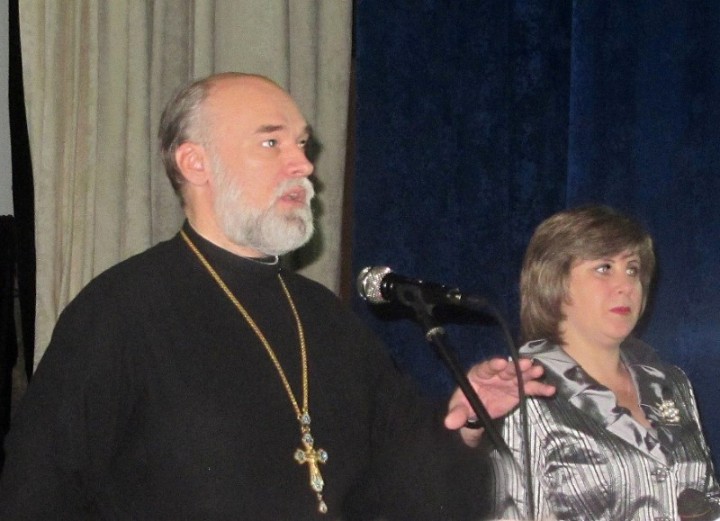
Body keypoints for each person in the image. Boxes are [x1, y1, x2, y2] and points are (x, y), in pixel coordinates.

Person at [0, 72, 553, 520]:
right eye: (271, 142)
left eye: (302, 144)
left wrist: (463, 419)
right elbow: (38, 493)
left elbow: (398, 489)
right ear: (195, 163)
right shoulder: (120, 310)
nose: (304, 165)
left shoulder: (326, 318)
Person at [491, 205, 720, 521]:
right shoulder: (521, 392)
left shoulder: (672, 383)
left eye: (633, 269)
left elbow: (708, 500)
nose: (626, 285)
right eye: (604, 268)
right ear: (554, 282)